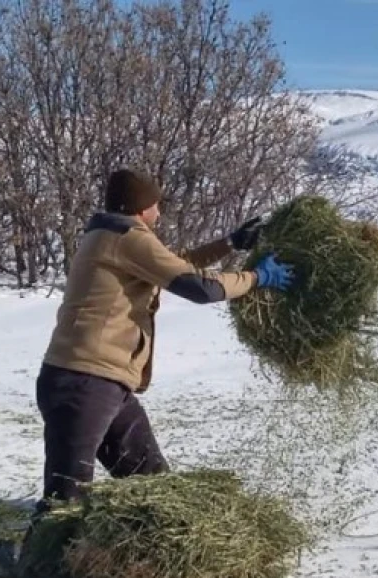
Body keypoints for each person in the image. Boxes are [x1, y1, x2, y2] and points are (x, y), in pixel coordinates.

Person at [32, 168, 293, 515]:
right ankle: (42, 567)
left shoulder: (111, 233)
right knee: (65, 499)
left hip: (103, 383)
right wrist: (258, 278)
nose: (160, 213)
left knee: (153, 485)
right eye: (157, 205)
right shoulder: (128, 237)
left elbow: (174, 263)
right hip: (83, 382)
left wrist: (229, 244)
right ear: (142, 208)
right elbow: (201, 288)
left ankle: (148, 558)